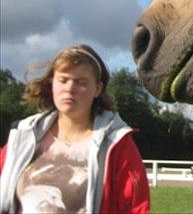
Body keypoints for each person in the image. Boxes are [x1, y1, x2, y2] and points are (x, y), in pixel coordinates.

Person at [0, 44, 150, 213]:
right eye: (63, 80)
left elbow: (136, 207)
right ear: (52, 84)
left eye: (81, 83)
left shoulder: (117, 144)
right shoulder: (23, 136)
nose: (70, 88)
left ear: (97, 89)